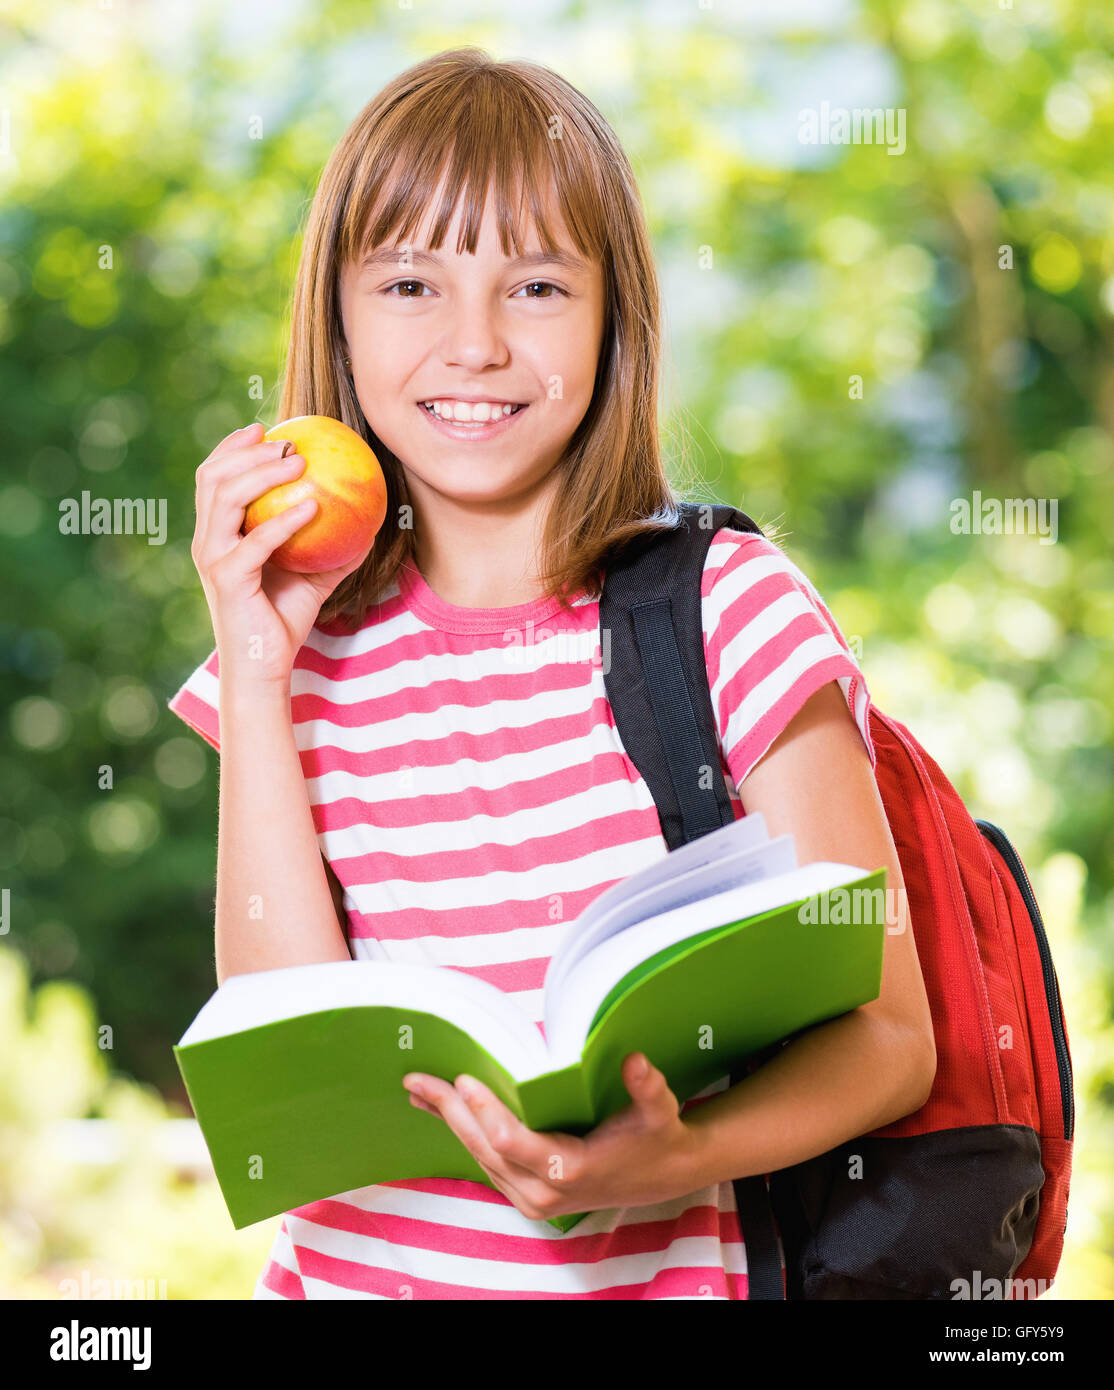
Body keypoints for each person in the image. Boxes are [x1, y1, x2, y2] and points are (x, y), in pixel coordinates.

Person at [168, 47, 935, 1300]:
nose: (472, 346)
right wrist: (258, 669)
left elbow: (891, 1044)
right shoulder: (295, 653)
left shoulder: (728, 610)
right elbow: (289, 1056)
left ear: (610, 314)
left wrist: (673, 1157)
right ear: (339, 318)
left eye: (533, 284)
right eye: (411, 282)